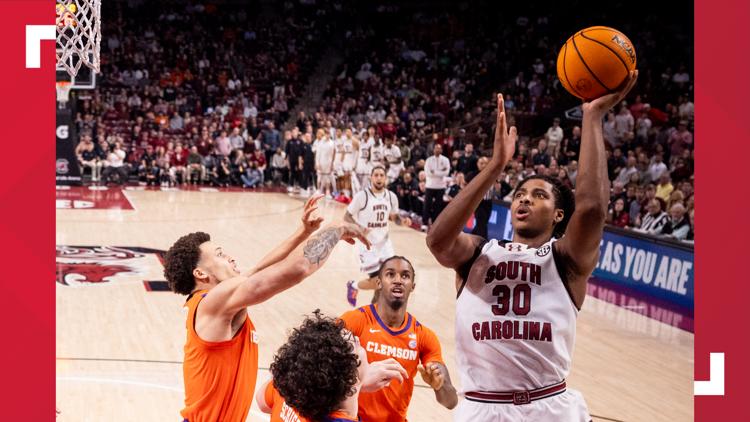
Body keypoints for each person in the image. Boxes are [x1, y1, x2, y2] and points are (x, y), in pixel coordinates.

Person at [425, 71, 637, 422]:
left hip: (548, 406)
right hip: (482, 406)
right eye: (520, 194)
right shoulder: (479, 252)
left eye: (538, 195)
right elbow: (437, 241)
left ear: (558, 215)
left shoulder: (565, 259)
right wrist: (495, 168)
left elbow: (592, 209)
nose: (524, 200)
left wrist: (592, 117)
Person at [164, 196, 370, 422]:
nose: (230, 257)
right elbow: (297, 269)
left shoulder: (213, 302)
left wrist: (302, 233)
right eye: (220, 254)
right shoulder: (214, 302)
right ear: (201, 274)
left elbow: (261, 269)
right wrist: (336, 227)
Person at [340, 257, 458, 422]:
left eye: (405, 276)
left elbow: (451, 401)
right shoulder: (355, 321)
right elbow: (317, 367)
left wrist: (439, 387)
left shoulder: (424, 336)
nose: (398, 280)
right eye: (390, 274)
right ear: (379, 283)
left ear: (412, 286)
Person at [256, 311, 408, 422]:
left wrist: (356, 383)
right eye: (355, 344)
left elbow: (261, 401)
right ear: (350, 377)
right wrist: (357, 384)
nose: (357, 338)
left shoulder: (291, 390)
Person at [344, 166, 411, 306]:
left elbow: (394, 217)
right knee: (378, 282)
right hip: (367, 244)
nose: (379, 178)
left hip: (385, 244)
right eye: (376, 175)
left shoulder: (391, 197)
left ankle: (375, 313)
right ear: (371, 177)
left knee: (385, 282)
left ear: (385, 178)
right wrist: (358, 227)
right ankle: (354, 285)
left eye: (382, 175)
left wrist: (402, 221)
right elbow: (347, 215)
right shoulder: (362, 196)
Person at [423, 144, 451, 231]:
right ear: (433, 149)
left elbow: (446, 173)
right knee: (427, 205)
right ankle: (424, 223)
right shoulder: (429, 160)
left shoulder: (445, 160)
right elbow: (427, 173)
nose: (437, 150)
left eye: (439, 148)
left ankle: (435, 224)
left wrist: (434, 172)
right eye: (436, 148)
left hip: (440, 186)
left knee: (438, 206)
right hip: (430, 185)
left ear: (441, 150)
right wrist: (440, 172)